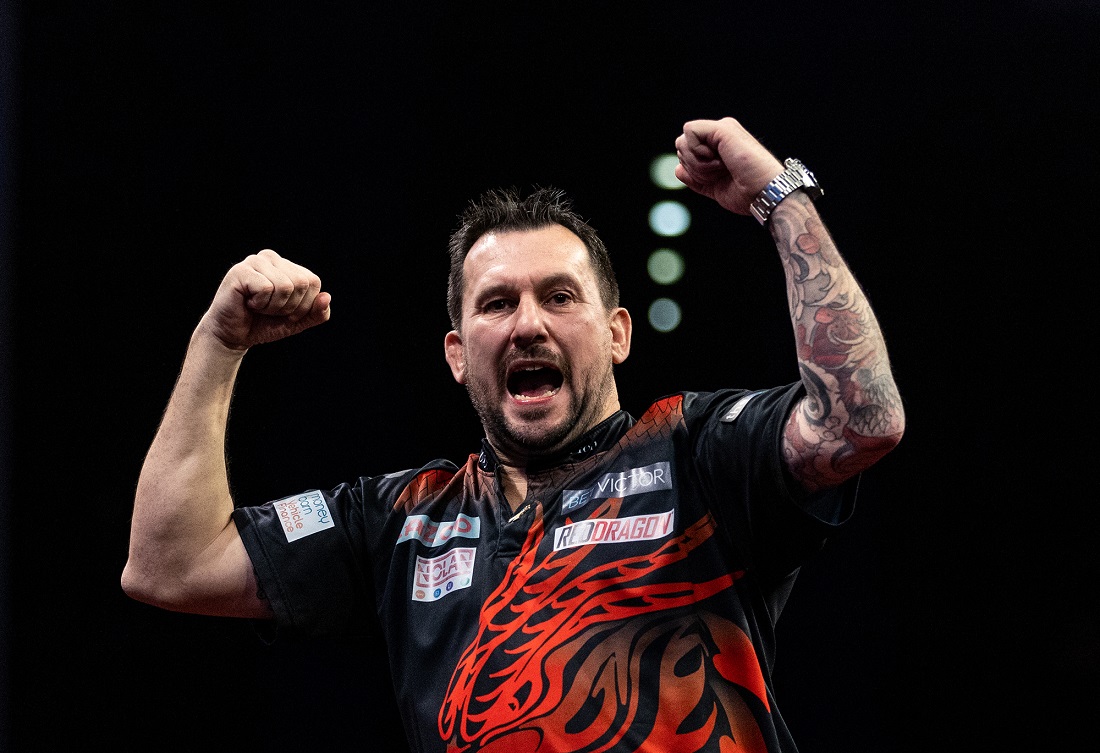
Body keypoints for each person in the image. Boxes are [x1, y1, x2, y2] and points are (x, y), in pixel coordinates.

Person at [122, 116, 905, 752]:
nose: (528, 323)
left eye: (560, 296)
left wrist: (780, 198)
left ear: (618, 333)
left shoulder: (697, 453)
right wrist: (218, 343)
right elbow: (169, 564)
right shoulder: (403, 520)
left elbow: (863, 419)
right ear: (457, 355)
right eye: (497, 303)